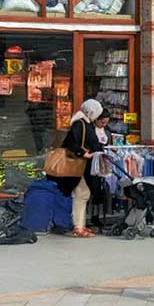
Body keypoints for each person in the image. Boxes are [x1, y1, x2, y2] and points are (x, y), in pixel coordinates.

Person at [57, 98, 104, 238]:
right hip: (78, 165)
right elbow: (72, 142)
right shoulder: (80, 124)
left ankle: (80, 225)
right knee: (82, 194)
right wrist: (84, 153)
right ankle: (78, 227)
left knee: (83, 194)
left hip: (82, 166)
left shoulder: (85, 123)